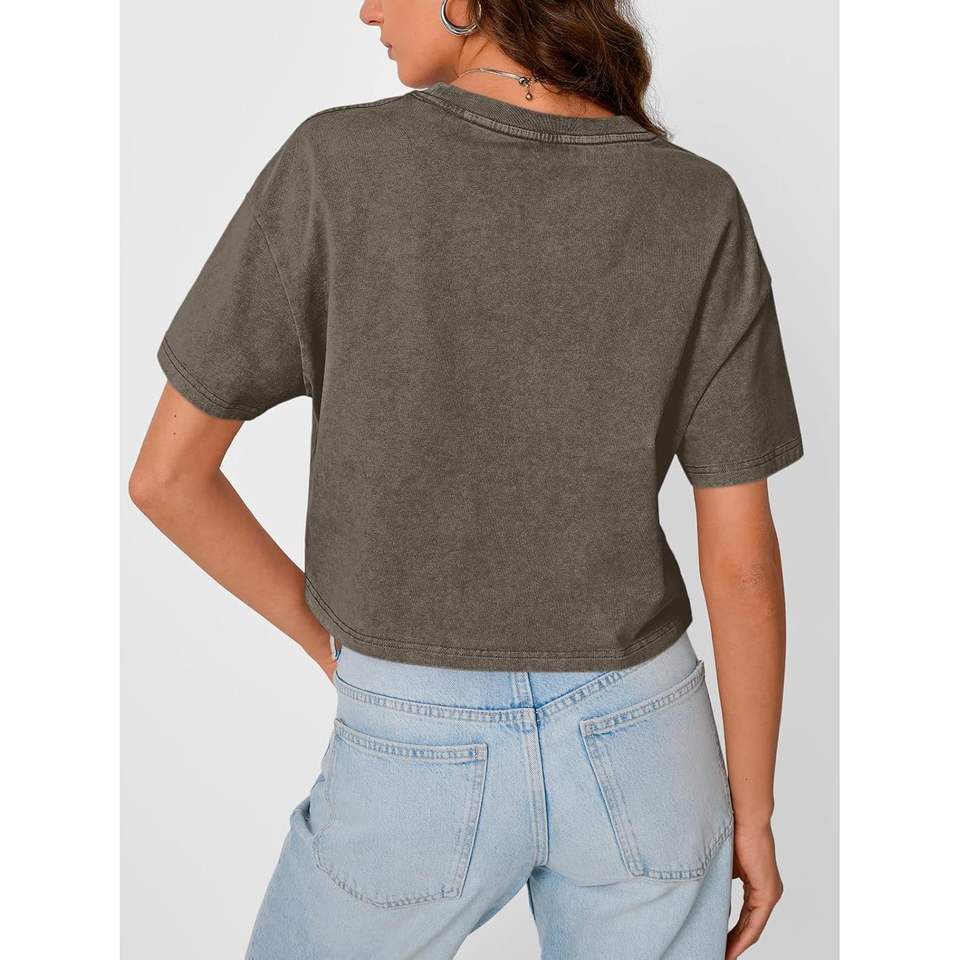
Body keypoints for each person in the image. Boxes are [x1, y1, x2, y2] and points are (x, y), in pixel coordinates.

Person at [129, 1, 804, 957]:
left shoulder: (336, 165)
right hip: (646, 747)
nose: (366, 7)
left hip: (412, 747)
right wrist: (753, 813)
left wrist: (330, 646)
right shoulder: (699, 201)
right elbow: (742, 565)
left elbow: (166, 480)